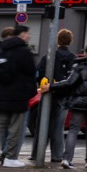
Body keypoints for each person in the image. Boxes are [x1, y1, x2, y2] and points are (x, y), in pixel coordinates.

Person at [0, 24, 41, 167]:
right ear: (22, 34)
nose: (29, 36)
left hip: (3, 94)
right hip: (19, 95)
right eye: (28, 34)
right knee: (16, 128)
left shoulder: (1, 50)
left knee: (0, 124)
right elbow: (32, 73)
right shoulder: (23, 52)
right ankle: (10, 157)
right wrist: (31, 91)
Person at [51, 43, 87, 168]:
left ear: (86, 53)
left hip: (79, 102)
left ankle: (67, 159)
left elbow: (69, 83)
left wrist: (52, 86)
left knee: (73, 130)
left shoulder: (80, 66)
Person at [31, 28, 76, 162]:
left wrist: (43, 85)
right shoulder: (73, 58)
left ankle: (36, 153)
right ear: (70, 41)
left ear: (57, 40)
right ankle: (57, 156)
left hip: (47, 94)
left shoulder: (49, 56)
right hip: (63, 95)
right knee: (58, 126)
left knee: (41, 124)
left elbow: (38, 73)